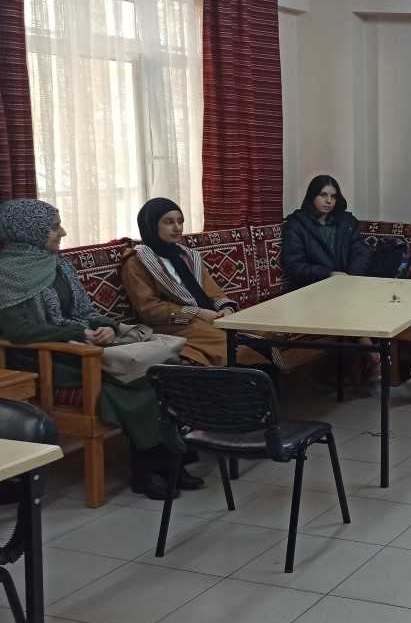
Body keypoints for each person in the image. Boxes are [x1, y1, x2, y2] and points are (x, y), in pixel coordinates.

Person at [0, 200, 199, 500]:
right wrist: (79, 333)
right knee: (139, 385)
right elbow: (20, 331)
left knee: (164, 377)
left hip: (84, 347)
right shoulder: (6, 274)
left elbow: (84, 310)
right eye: (54, 227)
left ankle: (170, 463)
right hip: (45, 361)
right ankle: (148, 471)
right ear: (29, 231)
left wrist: (105, 325)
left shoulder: (57, 264)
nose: (63, 232)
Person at [120, 197, 266, 367]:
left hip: (209, 316)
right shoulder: (136, 261)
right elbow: (149, 309)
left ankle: (275, 375)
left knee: (265, 330)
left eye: (180, 221)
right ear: (152, 225)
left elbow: (214, 292)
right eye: (169, 222)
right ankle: (262, 378)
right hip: (172, 324)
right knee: (230, 343)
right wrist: (196, 313)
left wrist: (225, 309)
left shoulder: (187, 255)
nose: (177, 228)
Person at [281, 175, 372, 288]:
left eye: (333, 196)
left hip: (348, 284)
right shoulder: (296, 225)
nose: (329, 201)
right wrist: (328, 274)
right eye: (323, 195)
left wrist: (350, 278)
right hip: (312, 288)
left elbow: (361, 253)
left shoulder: (347, 222)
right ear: (312, 196)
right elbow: (295, 265)